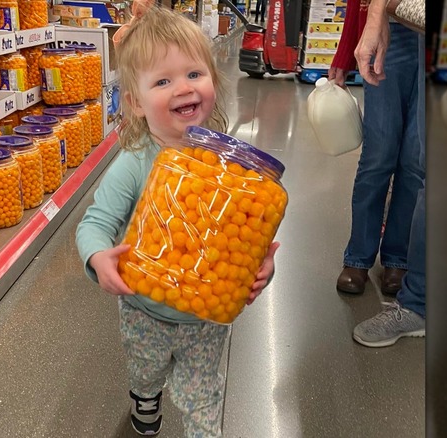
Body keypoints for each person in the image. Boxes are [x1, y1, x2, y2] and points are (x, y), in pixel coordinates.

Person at [76, 4, 279, 436]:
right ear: (135, 102)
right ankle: (145, 398)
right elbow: (95, 223)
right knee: (146, 373)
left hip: (205, 319)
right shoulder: (133, 164)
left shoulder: (230, 168)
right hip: (144, 310)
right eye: (162, 81)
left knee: (204, 397)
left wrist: (262, 266)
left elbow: (244, 240)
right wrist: (97, 258)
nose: (182, 88)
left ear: (213, 78)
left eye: (193, 74)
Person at [330, 0, 426, 347]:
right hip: (395, 26)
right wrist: (344, 55)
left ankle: (397, 258)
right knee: (379, 154)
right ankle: (358, 255)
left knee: (416, 161)